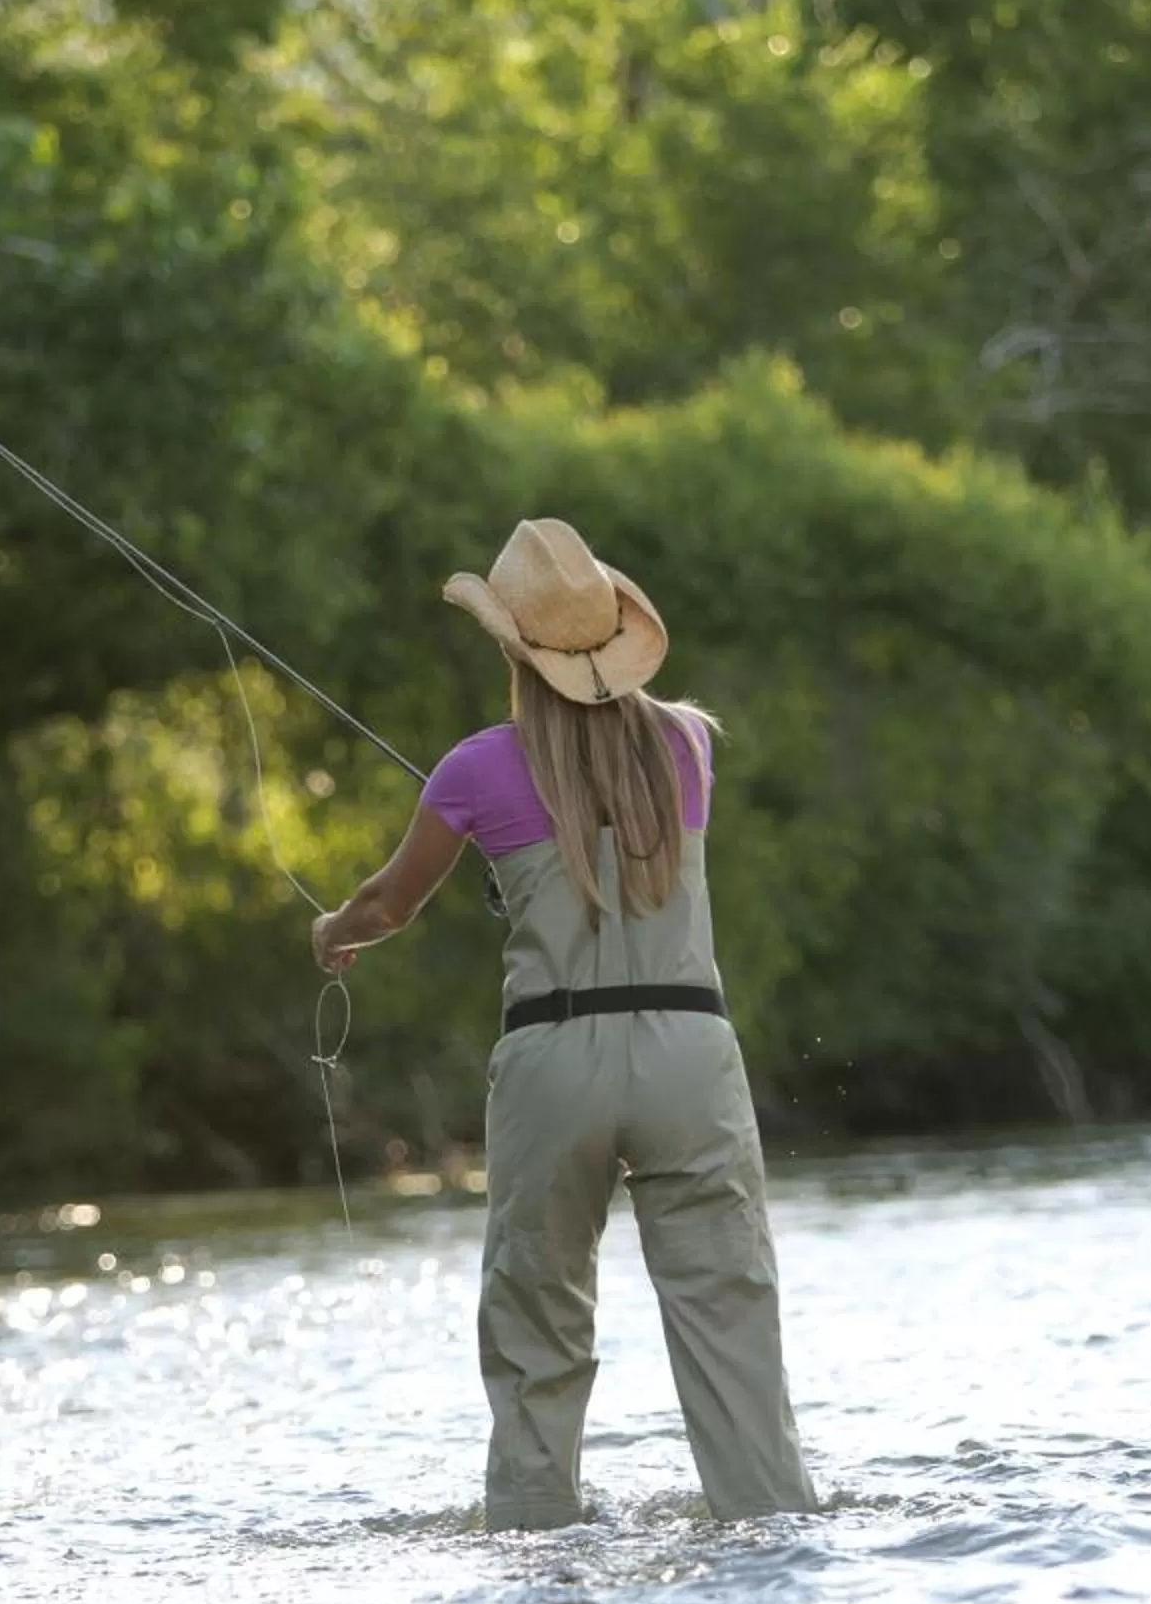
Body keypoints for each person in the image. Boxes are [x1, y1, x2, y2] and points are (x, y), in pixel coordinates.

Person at [312, 518, 819, 1531]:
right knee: (728, 1310)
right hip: (689, 1053)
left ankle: (536, 1533)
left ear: (511, 648)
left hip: (554, 1060)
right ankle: (769, 1520)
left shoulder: (470, 770)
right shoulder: (689, 741)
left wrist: (333, 932)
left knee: (537, 1317)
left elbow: (387, 905)